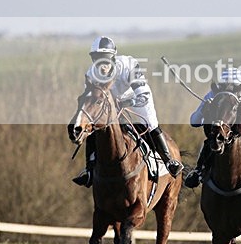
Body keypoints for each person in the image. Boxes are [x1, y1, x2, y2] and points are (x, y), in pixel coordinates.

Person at [68, 36, 183, 187]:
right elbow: (90, 101)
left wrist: (127, 102)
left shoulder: (129, 65)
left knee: (150, 123)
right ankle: (89, 171)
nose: (101, 64)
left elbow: (143, 95)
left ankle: (169, 161)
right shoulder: (91, 74)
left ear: (112, 57)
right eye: (97, 59)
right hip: (109, 105)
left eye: (105, 58)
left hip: (136, 100)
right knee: (94, 127)